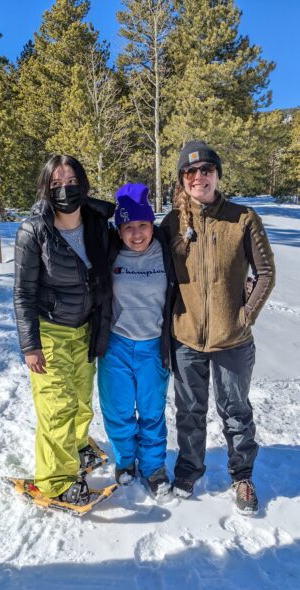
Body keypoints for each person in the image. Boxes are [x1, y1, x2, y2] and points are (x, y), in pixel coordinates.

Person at [161, 140, 275, 514]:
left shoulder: (243, 218)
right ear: (182, 180)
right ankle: (189, 469)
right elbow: (155, 272)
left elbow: (265, 273)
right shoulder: (173, 223)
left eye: (206, 170)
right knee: (190, 410)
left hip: (233, 340)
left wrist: (246, 315)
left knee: (236, 410)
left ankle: (242, 476)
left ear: (217, 175)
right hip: (187, 337)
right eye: (190, 172)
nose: (198, 177)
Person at [14, 154, 114, 506]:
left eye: (70, 182)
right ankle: (55, 480)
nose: (64, 189)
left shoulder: (96, 222)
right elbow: (23, 292)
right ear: (45, 188)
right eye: (55, 184)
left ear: (83, 184)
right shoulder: (34, 230)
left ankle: (75, 449)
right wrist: (30, 345)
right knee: (56, 406)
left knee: (82, 401)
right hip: (50, 331)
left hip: (85, 329)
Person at [98, 183, 176, 501]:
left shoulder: (167, 249)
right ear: (119, 230)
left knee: (151, 411)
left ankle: (154, 468)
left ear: (151, 224)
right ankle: (126, 461)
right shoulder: (110, 249)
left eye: (142, 225)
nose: (137, 234)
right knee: (117, 410)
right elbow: (85, 215)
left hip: (153, 346)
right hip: (116, 344)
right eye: (128, 227)